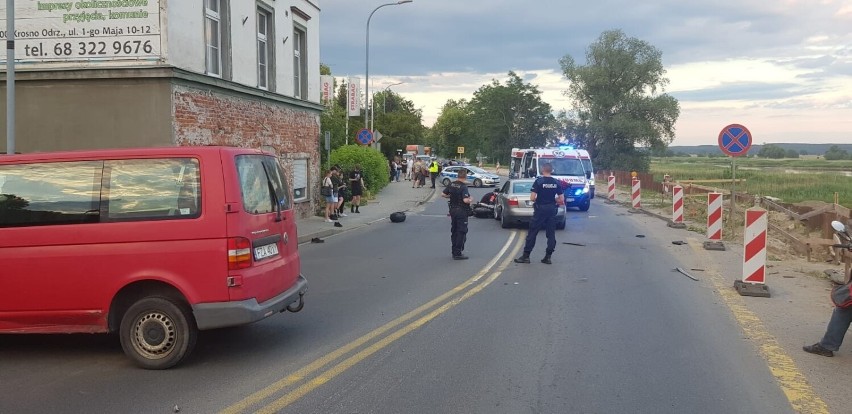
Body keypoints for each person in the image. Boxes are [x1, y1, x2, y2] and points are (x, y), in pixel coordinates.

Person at [515, 162, 564, 264]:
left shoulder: (539, 182)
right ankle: (548, 257)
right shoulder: (557, 182)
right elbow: (561, 199)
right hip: (551, 210)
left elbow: (532, 198)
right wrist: (552, 200)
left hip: (540, 209)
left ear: (542, 170)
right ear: (551, 170)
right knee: (551, 234)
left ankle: (526, 256)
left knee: (532, 232)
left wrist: (540, 199)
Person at [442, 168, 472, 260]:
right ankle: (458, 253)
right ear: (465, 176)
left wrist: (450, 196)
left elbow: (443, 194)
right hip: (461, 211)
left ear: (458, 175)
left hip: (452, 210)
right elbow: (465, 200)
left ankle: (454, 250)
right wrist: (471, 199)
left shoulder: (452, 184)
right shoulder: (463, 187)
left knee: (454, 230)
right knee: (461, 231)